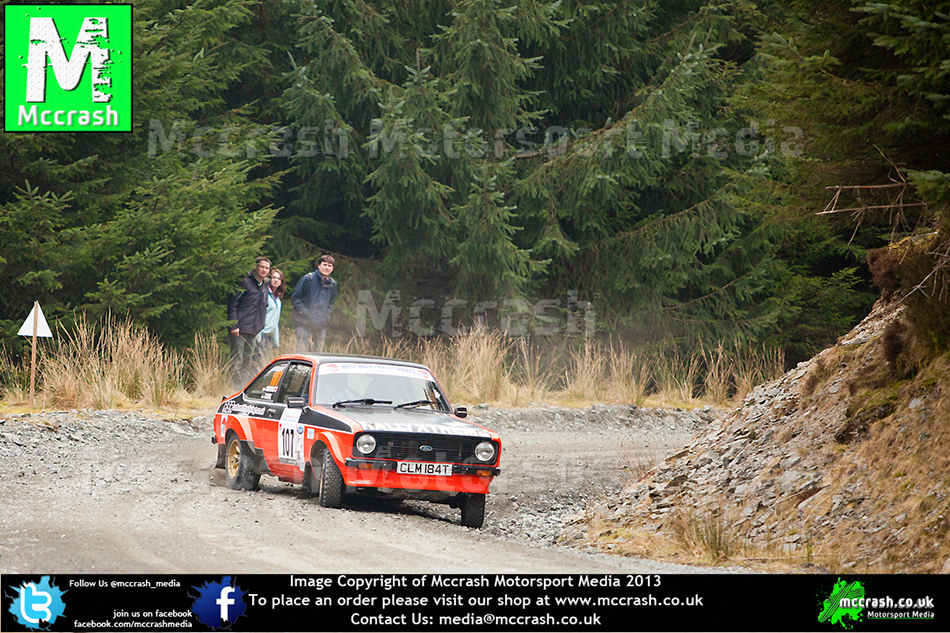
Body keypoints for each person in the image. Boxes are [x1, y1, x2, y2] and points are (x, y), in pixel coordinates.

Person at [227, 256, 270, 386]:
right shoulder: (245, 282)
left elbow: (263, 307)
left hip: (254, 329)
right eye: (262, 267)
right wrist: (234, 325)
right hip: (239, 328)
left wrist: (260, 326)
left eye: (266, 268)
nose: (264, 270)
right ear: (256, 267)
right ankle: (234, 387)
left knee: (248, 360)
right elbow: (232, 304)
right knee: (237, 360)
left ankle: (243, 388)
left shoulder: (265, 285)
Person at [291, 254, 338, 353]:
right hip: (304, 324)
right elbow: (295, 298)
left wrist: (326, 316)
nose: (326, 267)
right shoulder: (308, 279)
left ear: (332, 269)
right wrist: (306, 313)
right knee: (301, 354)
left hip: (320, 326)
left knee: (317, 355)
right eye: (324, 264)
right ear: (318, 265)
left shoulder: (333, 284)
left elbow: (331, 303)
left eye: (329, 266)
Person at [256, 267, 286, 361]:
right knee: (258, 362)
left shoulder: (277, 297)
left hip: (269, 336)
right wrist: (258, 335)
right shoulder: (264, 293)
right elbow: (258, 314)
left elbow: (275, 320)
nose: (276, 280)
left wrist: (276, 340)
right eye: (274, 277)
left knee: (264, 361)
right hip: (261, 334)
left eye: (279, 278)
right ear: (269, 279)